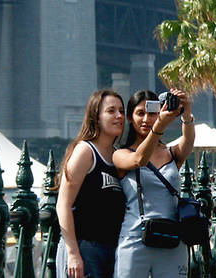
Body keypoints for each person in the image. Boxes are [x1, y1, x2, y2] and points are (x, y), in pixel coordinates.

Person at [112, 89, 195, 278]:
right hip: (135, 239)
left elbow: (188, 142)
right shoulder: (120, 154)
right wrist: (160, 125)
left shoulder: (171, 153)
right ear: (130, 118)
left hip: (173, 239)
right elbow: (139, 160)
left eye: (152, 113)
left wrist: (187, 112)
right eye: (140, 113)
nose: (146, 119)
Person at [55, 89, 126, 278]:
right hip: (85, 248)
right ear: (96, 116)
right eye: (111, 111)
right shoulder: (85, 151)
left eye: (121, 110)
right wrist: (73, 253)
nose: (119, 116)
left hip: (111, 249)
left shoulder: (118, 156)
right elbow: (63, 204)